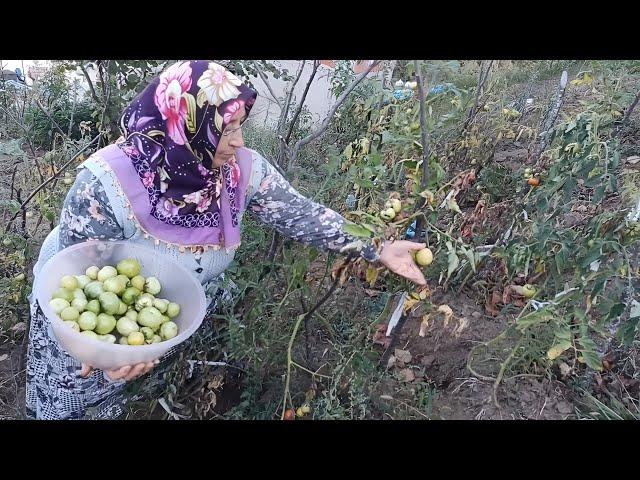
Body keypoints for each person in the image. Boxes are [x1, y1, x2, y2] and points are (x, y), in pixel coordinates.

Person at [25, 60, 427, 419]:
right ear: (185, 127)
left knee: (138, 395)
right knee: (74, 401)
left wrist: (378, 246)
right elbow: (79, 279)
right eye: (224, 130)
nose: (237, 142)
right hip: (83, 328)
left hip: (155, 321)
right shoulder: (107, 182)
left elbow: (301, 214)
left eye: (239, 127)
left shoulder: (238, 170)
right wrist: (106, 349)